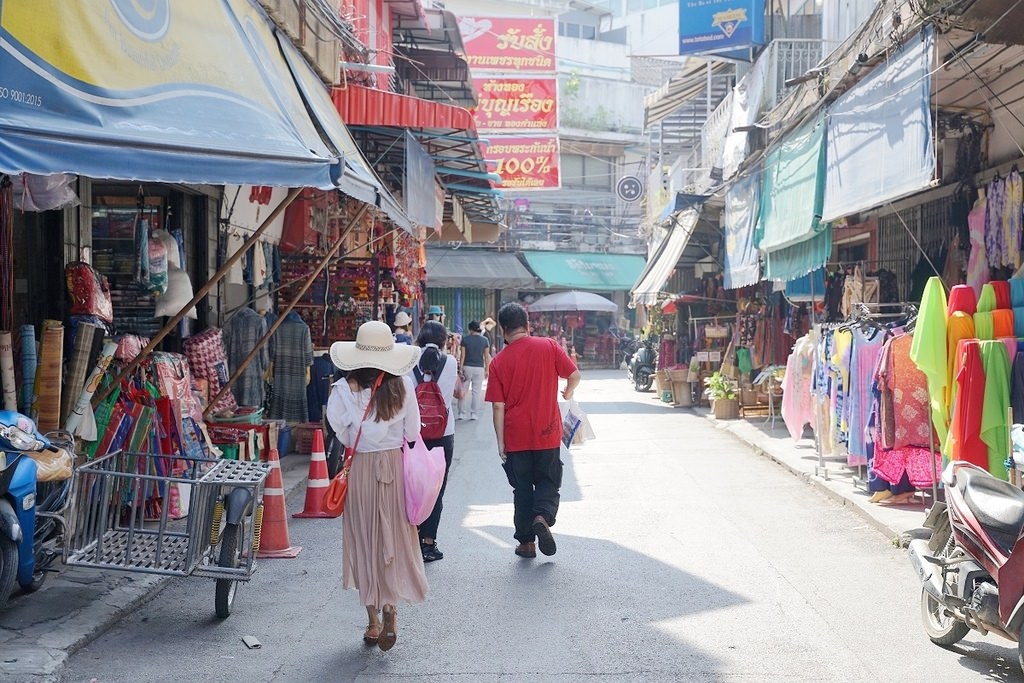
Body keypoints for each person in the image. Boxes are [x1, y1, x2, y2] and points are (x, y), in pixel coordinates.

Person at [326, 320, 427, 651]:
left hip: (360, 470)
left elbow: (341, 433)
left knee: (363, 540)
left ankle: (372, 622)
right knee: (391, 538)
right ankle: (391, 611)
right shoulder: (402, 387)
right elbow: (412, 433)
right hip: (392, 468)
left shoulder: (342, 391)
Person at [485, 302, 581, 558]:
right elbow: (574, 375)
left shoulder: (498, 362)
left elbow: (497, 406)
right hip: (547, 432)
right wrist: (568, 392)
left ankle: (526, 543)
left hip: (516, 437)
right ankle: (542, 516)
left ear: (503, 330)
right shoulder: (548, 346)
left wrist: (500, 442)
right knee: (549, 482)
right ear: (527, 325)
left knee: (523, 489)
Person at [411, 321, 458, 562]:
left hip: (412, 435)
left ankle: (410, 539)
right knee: (435, 490)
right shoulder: (451, 362)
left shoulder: (408, 360)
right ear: (444, 340)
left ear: (418, 338)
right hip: (443, 435)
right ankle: (428, 544)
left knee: (411, 487)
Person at [458, 320, 491, 420]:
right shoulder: (485, 340)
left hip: (467, 367)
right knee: (476, 392)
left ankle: (462, 413)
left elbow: (462, 356)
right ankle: (474, 414)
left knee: (463, 391)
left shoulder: (465, 339)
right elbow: (486, 357)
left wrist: (460, 368)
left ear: (470, 329)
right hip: (479, 368)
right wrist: (487, 370)